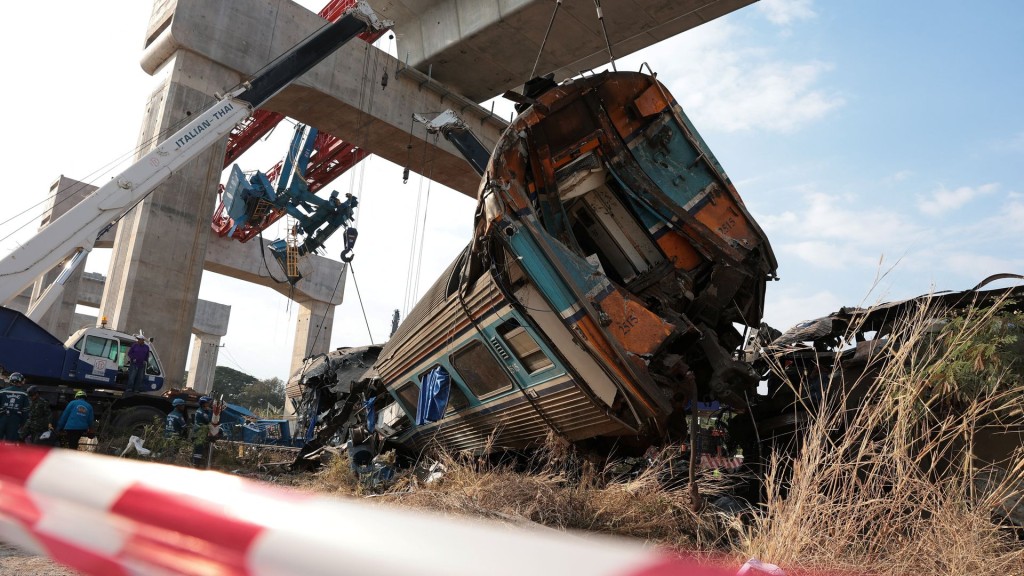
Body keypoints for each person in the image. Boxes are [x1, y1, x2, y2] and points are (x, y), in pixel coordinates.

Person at [0, 373, 29, 442]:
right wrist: (23, 424)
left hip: (1, 419)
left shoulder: (2, 391)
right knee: (10, 443)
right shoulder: (24, 394)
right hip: (14, 420)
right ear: (20, 381)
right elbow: (25, 411)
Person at [192, 396, 214, 468]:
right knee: (198, 448)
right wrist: (211, 411)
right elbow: (208, 420)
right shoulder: (201, 412)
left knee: (200, 448)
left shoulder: (203, 410)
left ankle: (197, 463)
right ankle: (196, 464)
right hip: (199, 433)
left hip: (200, 432)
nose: (209, 404)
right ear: (204, 403)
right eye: (208, 403)